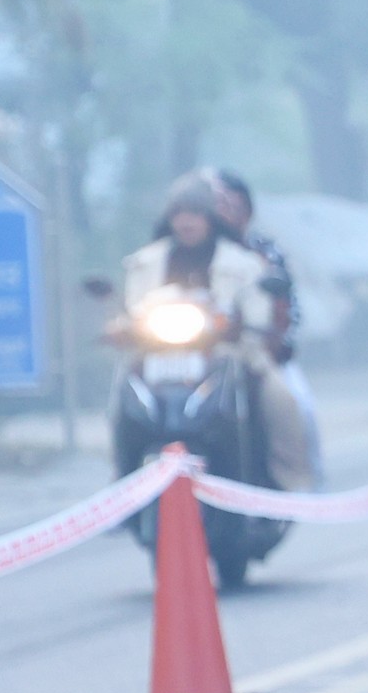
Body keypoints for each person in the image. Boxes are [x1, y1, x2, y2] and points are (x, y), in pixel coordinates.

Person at [118, 175, 312, 491]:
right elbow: (133, 309)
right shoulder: (145, 262)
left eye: (194, 213)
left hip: (229, 353)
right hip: (157, 355)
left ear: (209, 217)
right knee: (122, 392)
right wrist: (124, 326)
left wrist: (238, 323)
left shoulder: (243, 262)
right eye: (179, 213)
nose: (186, 222)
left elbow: (258, 314)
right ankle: (122, 484)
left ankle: (290, 482)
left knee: (282, 400)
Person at [205, 168, 322, 484]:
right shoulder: (185, 252)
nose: (224, 212)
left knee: (297, 405)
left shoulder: (262, 254)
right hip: (194, 356)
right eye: (216, 204)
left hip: (256, 351)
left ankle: (301, 481)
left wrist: (274, 342)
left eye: (231, 205)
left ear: (247, 210)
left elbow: (288, 308)